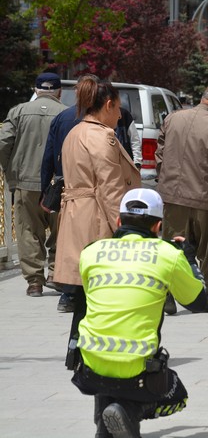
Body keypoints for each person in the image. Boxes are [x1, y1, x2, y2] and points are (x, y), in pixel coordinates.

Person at [70, 188, 207, 438]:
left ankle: (107, 424)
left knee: (109, 372)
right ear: (158, 226)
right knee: (177, 394)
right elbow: (198, 301)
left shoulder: (91, 252)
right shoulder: (168, 255)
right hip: (137, 369)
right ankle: (130, 410)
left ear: (119, 221)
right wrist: (187, 257)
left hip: (89, 365)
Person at [55, 75, 141, 367]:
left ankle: (75, 350)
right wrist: (125, 228)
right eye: (118, 108)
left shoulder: (75, 133)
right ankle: (92, 352)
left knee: (84, 292)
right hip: (96, 220)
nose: (119, 115)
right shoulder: (102, 136)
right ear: (108, 105)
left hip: (77, 216)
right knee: (102, 292)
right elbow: (111, 188)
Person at [155, 83, 208, 313]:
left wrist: (167, 183)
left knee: (171, 249)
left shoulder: (172, 119)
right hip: (206, 200)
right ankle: (206, 297)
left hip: (172, 198)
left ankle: (166, 296)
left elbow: (159, 156)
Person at [0, 72, 66, 298]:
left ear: (36, 90)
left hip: (26, 182)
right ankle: (56, 274)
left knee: (28, 231)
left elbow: (3, 142)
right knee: (61, 230)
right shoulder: (67, 114)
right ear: (59, 91)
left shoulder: (17, 111)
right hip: (59, 184)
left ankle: (34, 282)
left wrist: (11, 171)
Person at [41, 75, 87, 312]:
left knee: (67, 242)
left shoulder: (63, 117)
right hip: (93, 191)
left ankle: (67, 293)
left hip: (66, 188)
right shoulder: (104, 120)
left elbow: (48, 156)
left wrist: (44, 190)